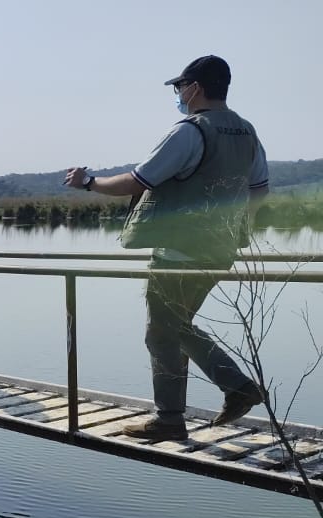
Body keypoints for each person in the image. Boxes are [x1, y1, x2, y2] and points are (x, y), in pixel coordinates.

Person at [64, 55, 268, 440]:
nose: (178, 94)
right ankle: (172, 417)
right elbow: (259, 190)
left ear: (195, 88)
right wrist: (233, 226)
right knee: (171, 328)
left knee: (163, 329)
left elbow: (137, 181)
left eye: (180, 87)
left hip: (178, 251)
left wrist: (88, 181)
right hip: (220, 250)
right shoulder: (247, 132)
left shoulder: (190, 132)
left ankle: (229, 390)